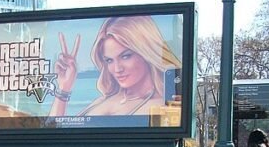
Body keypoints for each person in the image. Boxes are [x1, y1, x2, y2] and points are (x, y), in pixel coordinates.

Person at [49, 15, 177, 118]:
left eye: (125, 56)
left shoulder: (162, 107)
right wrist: (64, 88)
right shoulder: (104, 100)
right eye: (109, 60)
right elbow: (52, 135)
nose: (117, 69)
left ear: (146, 52)